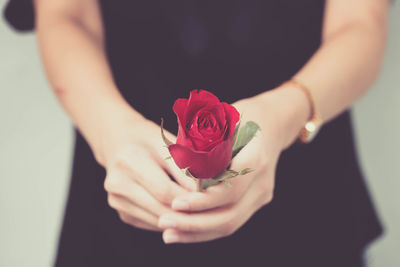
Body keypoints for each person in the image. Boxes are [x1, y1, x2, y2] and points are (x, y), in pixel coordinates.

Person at [4, 0, 389, 266]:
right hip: (124, 191)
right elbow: (65, 15)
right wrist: (111, 131)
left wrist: (284, 115)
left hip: (308, 208)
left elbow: (360, 25)